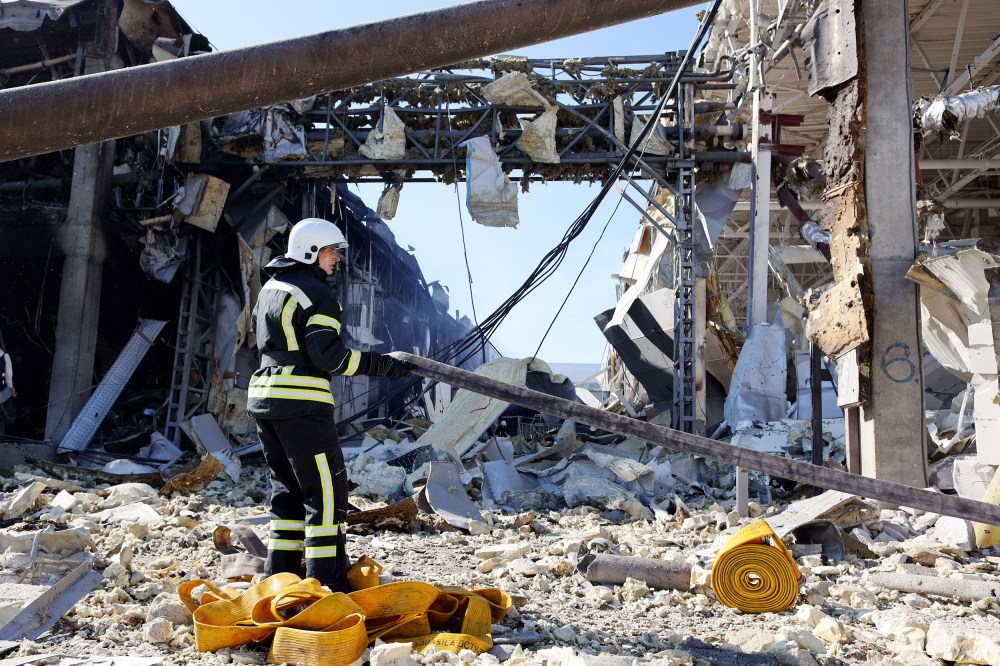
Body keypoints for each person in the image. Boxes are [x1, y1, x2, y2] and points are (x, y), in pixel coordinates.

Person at [247, 217, 411, 592]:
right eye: (332, 251)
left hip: (265, 400)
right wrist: (380, 365)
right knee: (325, 497)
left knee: (285, 495)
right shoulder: (318, 296)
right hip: (302, 404)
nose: (337, 258)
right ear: (311, 251)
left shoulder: (271, 288)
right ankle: (325, 587)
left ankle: (281, 583)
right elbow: (329, 357)